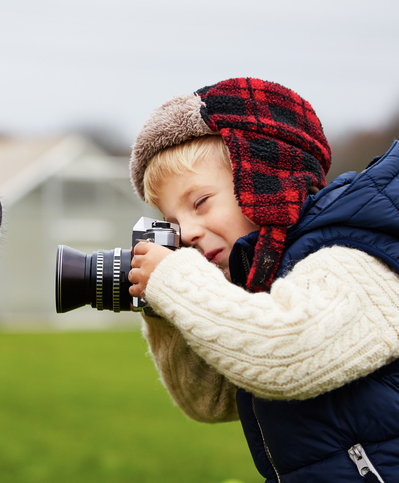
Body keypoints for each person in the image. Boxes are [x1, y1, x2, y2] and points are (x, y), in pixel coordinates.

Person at [127, 77, 399, 482]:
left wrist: (176, 280)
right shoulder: (268, 276)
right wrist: (165, 309)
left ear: (264, 175)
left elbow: (287, 352)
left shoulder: (353, 255)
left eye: (200, 202)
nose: (188, 233)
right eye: (173, 223)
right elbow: (210, 401)